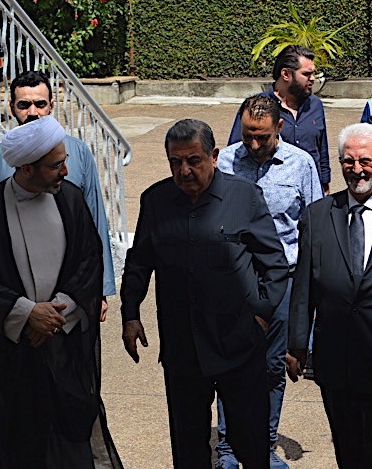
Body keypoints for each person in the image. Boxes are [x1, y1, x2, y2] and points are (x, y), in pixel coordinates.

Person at [120, 119, 289, 469]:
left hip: (238, 346)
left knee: (251, 445)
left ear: (214, 156)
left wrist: (260, 316)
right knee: (188, 447)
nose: (184, 170)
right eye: (175, 162)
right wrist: (130, 314)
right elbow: (139, 264)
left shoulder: (244, 197)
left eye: (193, 160)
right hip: (183, 349)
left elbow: (274, 264)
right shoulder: (155, 201)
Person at [0, 116, 122, 469]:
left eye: (64, 161)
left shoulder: (71, 200)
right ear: (27, 168)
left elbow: (89, 261)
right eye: (56, 165)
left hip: (64, 350)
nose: (65, 171)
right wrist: (26, 315)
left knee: (72, 447)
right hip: (13, 357)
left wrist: (56, 314)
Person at [287, 123, 372, 469]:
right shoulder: (318, 215)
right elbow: (304, 286)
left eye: (365, 161)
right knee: (348, 451)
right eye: (348, 162)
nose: (357, 169)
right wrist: (297, 344)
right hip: (336, 358)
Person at [215, 95, 323, 469]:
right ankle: (228, 448)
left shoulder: (301, 164)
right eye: (248, 135)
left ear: (279, 127)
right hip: (234, 280)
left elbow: (313, 226)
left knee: (273, 366)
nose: (254, 144)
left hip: (284, 281)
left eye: (262, 136)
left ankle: (264, 443)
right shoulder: (226, 162)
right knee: (231, 362)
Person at [0, 70, 116, 319]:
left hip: (72, 289)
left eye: (40, 104)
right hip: (18, 293)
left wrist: (100, 288)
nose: (33, 112)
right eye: (24, 105)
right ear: (11, 107)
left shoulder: (78, 153)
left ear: (51, 106)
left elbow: (95, 220)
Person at [228, 45, 331, 193]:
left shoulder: (315, 105)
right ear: (286, 74)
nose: (313, 79)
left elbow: (321, 148)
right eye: (306, 74)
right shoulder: (256, 108)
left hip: (309, 188)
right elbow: (237, 151)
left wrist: (325, 183)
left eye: (313, 73)